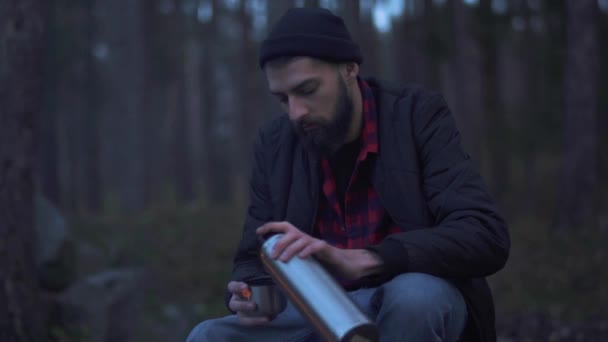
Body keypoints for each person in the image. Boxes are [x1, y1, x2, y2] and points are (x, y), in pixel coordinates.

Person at [186, 7, 510, 342]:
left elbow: (484, 234)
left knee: (415, 298)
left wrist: (370, 259)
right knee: (209, 335)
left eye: (308, 89)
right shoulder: (277, 144)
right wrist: (251, 296)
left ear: (349, 69)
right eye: (283, 99)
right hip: (318, 313)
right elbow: (253, 259)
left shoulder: (416, 116)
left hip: (409, 298)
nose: (296, 113)